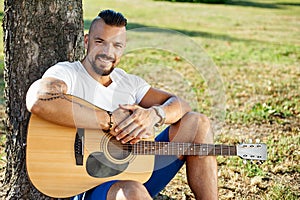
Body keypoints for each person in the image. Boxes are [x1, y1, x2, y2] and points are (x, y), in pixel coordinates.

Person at [26, 9, 218, 200]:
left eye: (117, 45)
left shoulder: (129, 82)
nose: (108, 52)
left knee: (197, 123)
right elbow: (38, 99)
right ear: (86, 41)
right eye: (100, 42)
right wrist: (109, 120)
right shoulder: (68, 73)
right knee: (132, 191)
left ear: (123, 48)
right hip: (87, 187)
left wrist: (155, 114)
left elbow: (181, 105)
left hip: (136, 173)